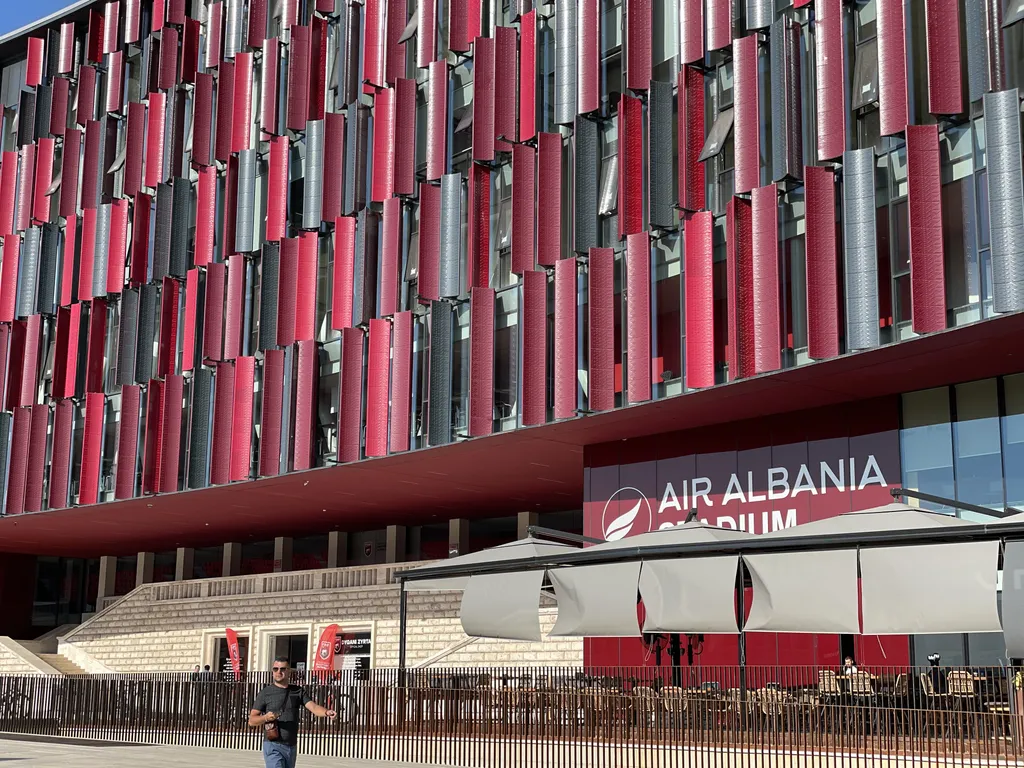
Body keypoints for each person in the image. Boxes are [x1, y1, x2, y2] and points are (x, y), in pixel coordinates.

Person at [249, 656, 336, 768]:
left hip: (291, 746)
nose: (278, 672)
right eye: (275, 669)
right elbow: (252, 720)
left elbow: (313, 707)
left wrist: (327, 712)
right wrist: (265, 717)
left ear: (289, 671)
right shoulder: (266, 692)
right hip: (272, 745)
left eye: (282, 669)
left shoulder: (297, 691)